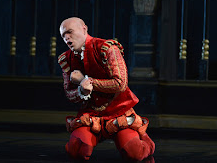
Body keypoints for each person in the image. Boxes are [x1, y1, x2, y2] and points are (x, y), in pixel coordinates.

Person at [58, 17, 155, 161]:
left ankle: (147, 143)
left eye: (70, 32)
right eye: (63, 35)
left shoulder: (106, 48)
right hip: (91, 116)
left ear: (84, 28)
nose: (67, 38)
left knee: (134, 153)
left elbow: (120, 83)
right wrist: (81, 91)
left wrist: (87, 81)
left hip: (119, 113)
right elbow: (69, 94)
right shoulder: (66, 59)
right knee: (77, 151)